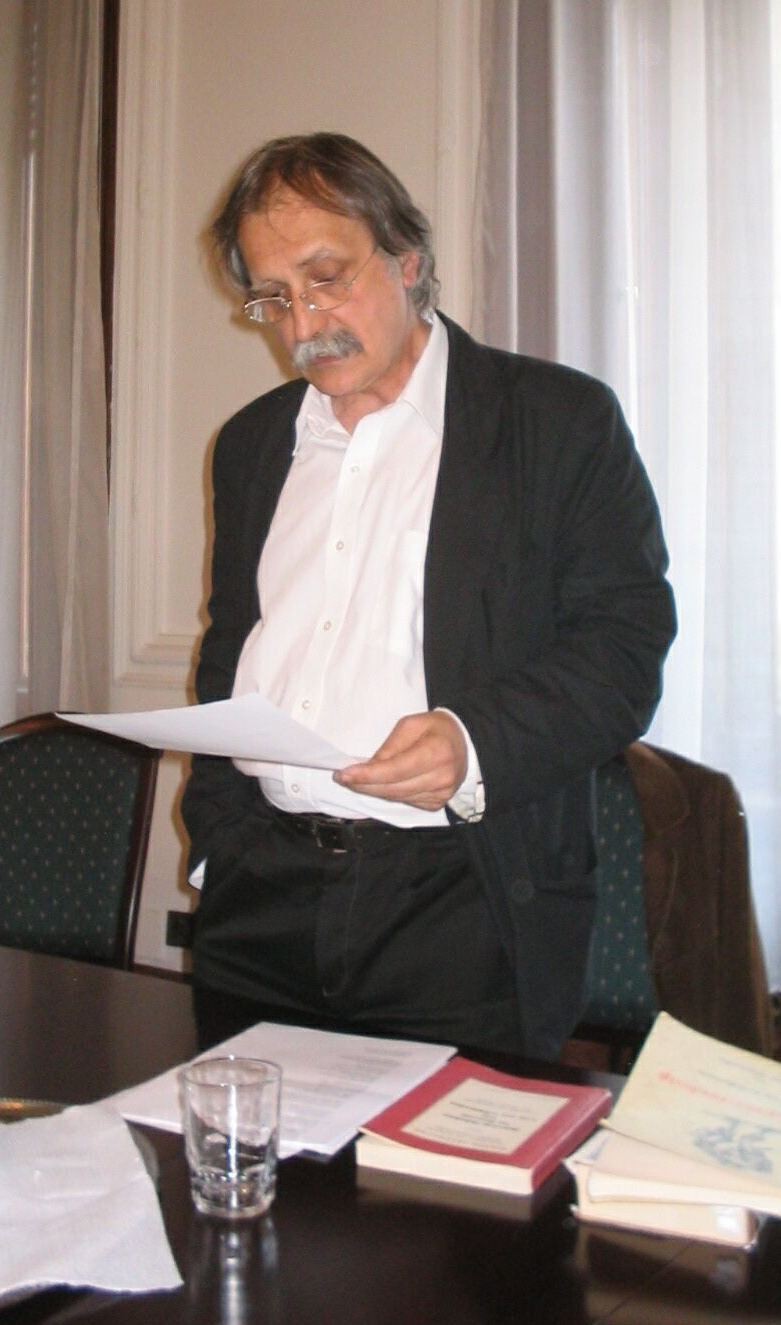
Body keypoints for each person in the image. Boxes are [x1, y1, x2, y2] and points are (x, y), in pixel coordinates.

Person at [181, 132, 676, 1060]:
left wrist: (471, 739)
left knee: (441, 1162)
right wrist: (218, 846)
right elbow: (231, 647)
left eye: (326, 278)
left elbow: (622, 647)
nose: (304, 323)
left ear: (407, 259)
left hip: (459, 904)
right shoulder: (251, 445)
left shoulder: (555, 422)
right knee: (240, 1153)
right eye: (275, 297)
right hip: (260, 895)